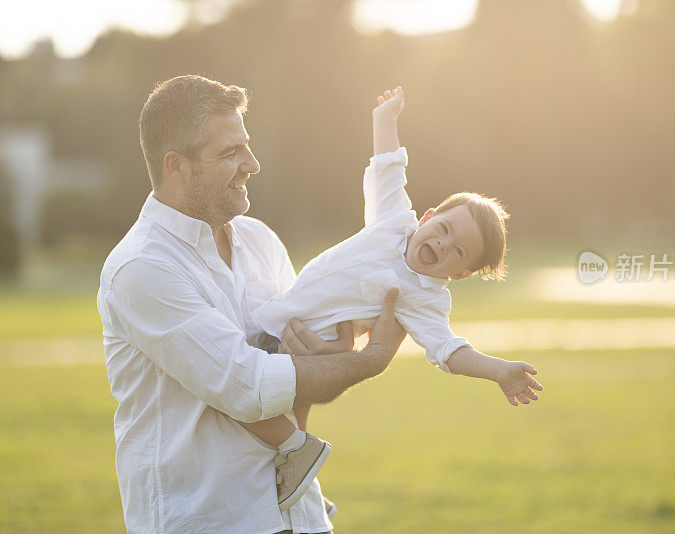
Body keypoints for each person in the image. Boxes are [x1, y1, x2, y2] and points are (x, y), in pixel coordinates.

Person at [97, 74, 405, 534]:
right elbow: (251, 387)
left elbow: (304, 374)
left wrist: (332, 350)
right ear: (176, 166)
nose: (253, 163)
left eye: (247, 145)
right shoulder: (142, 268)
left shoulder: (260, 240)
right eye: (229, 153)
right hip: (210, 522)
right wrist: (371, 359)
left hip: (299, 516)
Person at [238, 85, 544, 509]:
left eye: (457, 252)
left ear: (460, 273)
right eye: (444, 230)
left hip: (299, 347)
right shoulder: (393, 220)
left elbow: (448, 349)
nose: (442, 244)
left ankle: (300, 464)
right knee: (280, 412)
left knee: (239, 402)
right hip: (284, 321)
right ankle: (305, 485)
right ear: (429, 216)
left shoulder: (424, 298)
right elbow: (387, 167)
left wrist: (497, 371)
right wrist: (386, 118)